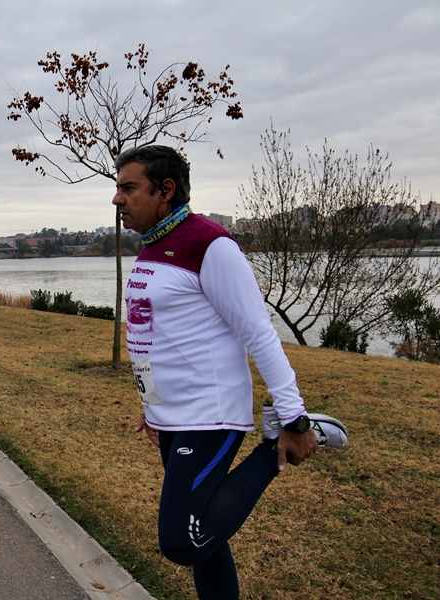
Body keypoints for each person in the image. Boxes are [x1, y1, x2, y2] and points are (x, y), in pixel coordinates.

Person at [113, 145, 348, 600]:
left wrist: (293, 415)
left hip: (211, 414)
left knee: (182, 540)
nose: (118, 199)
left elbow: (259, 333)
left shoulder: (211, 245)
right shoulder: (154, 247)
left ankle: (277, 440)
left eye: (128, 188)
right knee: (206, 540)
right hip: (175, 416)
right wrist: (152, 403)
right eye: (117, 189)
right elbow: (154, 334)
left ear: (166, 190)